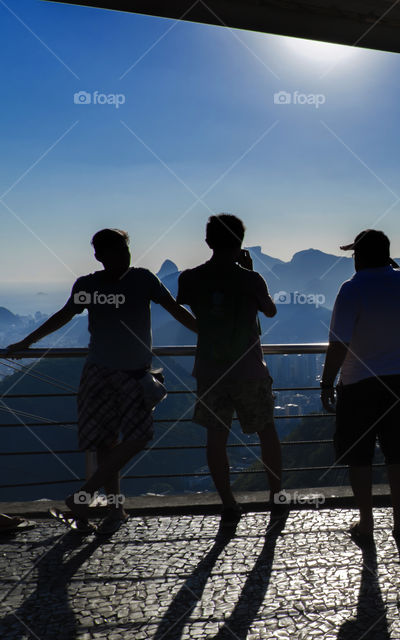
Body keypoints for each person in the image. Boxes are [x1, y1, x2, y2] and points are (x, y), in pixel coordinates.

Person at [5, 229, 197, 534]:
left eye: (124, 248)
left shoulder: (144, 279)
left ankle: (84, 497)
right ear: (99, 256)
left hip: (131, 374)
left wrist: (207, 332)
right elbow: (65, 315)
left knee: (136, 438)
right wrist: (27, 342)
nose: (122, 255)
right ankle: (115, 508)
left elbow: (175, 309)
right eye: (115, 250)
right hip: (102, 372)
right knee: (108, 444)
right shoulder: (89, 284)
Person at [177, 214, 282, 525]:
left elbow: (181, 308)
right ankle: (276, 499)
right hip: (249, 369)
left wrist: (204, 331)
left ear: (208, 241)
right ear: (240, 242)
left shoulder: (190, 278)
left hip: (210, 369)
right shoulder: (250, 279)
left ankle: (228, 504)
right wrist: (249, 274)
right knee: (267, 433)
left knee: (216, 437)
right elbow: (270, 310)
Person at [320, 229, 400, 547]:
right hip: (399, 378)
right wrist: (378, 256)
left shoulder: (351, 289)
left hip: (357, 381)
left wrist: (326, 382)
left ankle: (366, 524)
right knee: (397, 450)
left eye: (355, 255)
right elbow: (392, 267)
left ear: (359, 257)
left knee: (360, 455)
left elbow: (338, 343)